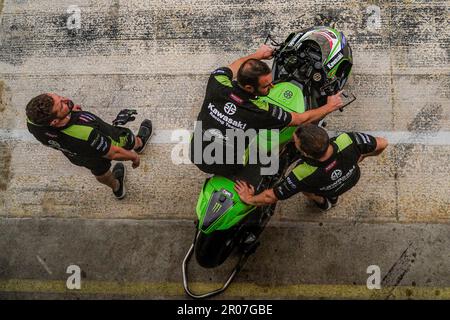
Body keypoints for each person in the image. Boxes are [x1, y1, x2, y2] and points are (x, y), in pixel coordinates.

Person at [190, 44, 345, 177]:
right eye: (266, 86)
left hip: (195, 152)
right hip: (230, 166)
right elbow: (299, 119)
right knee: (286, 139)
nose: (271, 87)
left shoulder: (217, 82)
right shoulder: (259, 112)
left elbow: (236, 65)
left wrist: (258, 55)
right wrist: (329, 106)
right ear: (249, 87)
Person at [25, 93, 152, 199]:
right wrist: (133, 157)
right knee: (125, 138)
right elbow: (113, 153)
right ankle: (139, 144)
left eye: (59, 97)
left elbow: (46, 141)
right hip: (97, 142)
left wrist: (67, 112)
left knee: (100, 171)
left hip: (78, 156)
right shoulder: (84, 133)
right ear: (54, 121)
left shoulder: (33, 122)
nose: (66, 100)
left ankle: (117, 188)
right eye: (62, 104)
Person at [235, 123, 388, 211]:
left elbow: (271, 196)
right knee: (328, 188)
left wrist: (248, 198)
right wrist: (363, 156)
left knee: (307, 191)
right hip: (352, 178)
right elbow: (383, 143)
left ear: (305, 153)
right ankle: (330, 199)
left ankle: (326, 203)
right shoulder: (346, 140)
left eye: (296, 143)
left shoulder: (302, 173)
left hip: (327, 189)